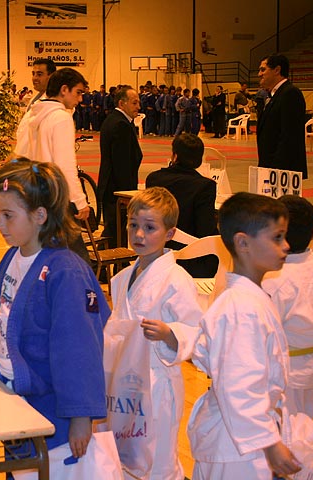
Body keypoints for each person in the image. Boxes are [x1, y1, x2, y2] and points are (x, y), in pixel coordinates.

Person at [0, 158, 109, 476]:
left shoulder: (65, 272)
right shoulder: (11, 258)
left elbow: (79, 348)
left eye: (8, 216)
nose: (0, 225)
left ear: (40, 216)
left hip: (54, 411)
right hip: (15, 401)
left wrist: (82, 416)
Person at [188, 192, 301, 479]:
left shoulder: (245, 299)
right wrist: (269, 443)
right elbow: (238, 385)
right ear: (242, 243)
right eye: (277, 237)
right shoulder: (241, 308)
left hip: (239, 437)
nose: (286, 246)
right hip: (237, 447)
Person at [104, 187, 201, 479]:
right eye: (133, 225)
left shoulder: (177, 280)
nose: (139, 235)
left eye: (149, 227)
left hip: (158, 385)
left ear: (170, 233)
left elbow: (196, 331)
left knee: (158, 459)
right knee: (122, 455)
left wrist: (170, 333)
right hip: (122, 386)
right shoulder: (121, 278)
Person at [262, 195, 313, 418]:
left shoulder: (274, 278)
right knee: (303, 427)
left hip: (284, 370)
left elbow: (263, 331)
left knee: (281, 434)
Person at [14, 67, 91, 262]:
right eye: (78, 92)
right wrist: (80, 201)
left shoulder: (33, 116)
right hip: (59, 198)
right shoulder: (61, 118)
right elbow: (65, 165)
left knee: (45, 256)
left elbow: (22, 154)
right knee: (78, 261)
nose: (80, 99)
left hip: (39, 194)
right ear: (64, 89)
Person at [146, 134, 218, 277]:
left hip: (156, 254)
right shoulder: (205, 186)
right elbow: (205, 229)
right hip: (192, 260)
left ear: (175, 155)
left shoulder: (153, 179)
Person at [97, 86, 142, 248]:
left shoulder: (114, 119)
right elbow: (121, 164)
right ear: (122, 103)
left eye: (139, 102)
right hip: (116, 189)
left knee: (115, 231)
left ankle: (111, 266)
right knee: (115, 232)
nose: (138, 107)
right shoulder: (120, 125)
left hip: (110, 186)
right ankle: (106, 266)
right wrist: (127, 194)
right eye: (134, 103)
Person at [257, 53, 307, 179]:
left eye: (263, 69)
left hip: (282, 169)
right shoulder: (275, 95)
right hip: (271, 167)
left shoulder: (290, 94)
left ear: (277, 70)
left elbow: (289, 136)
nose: (259, 74)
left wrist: (276, 170)